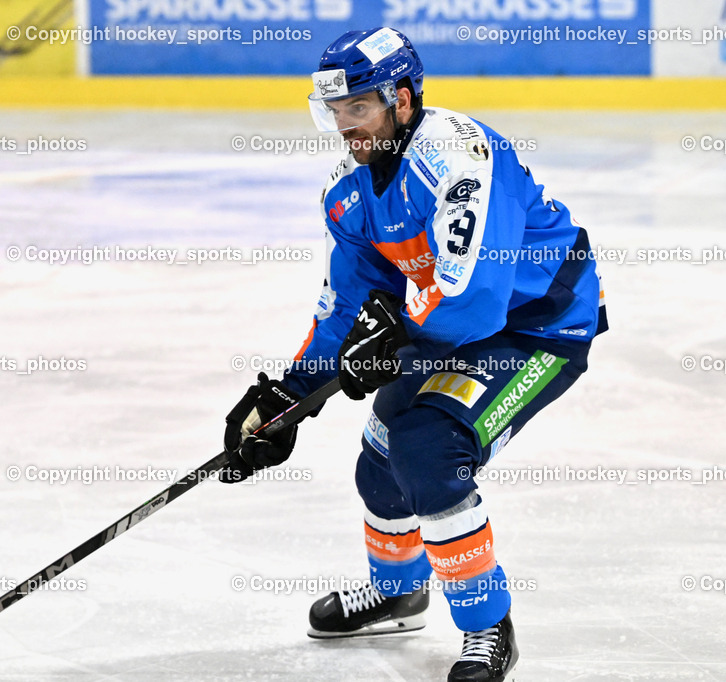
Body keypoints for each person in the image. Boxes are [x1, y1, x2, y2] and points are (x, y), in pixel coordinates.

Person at [221, 26, 607, 682]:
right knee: (380, 456)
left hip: (538, 328)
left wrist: (397, 332)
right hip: (446, 328)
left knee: (426, 451)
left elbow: (478, 298)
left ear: (402, 100)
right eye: (337, 113)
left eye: (360, 108)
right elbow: (348, 306)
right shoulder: (351, 192)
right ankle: (399, 590)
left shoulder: (460, 159)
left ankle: (488, 625)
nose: (347, 126)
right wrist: (289, 396)